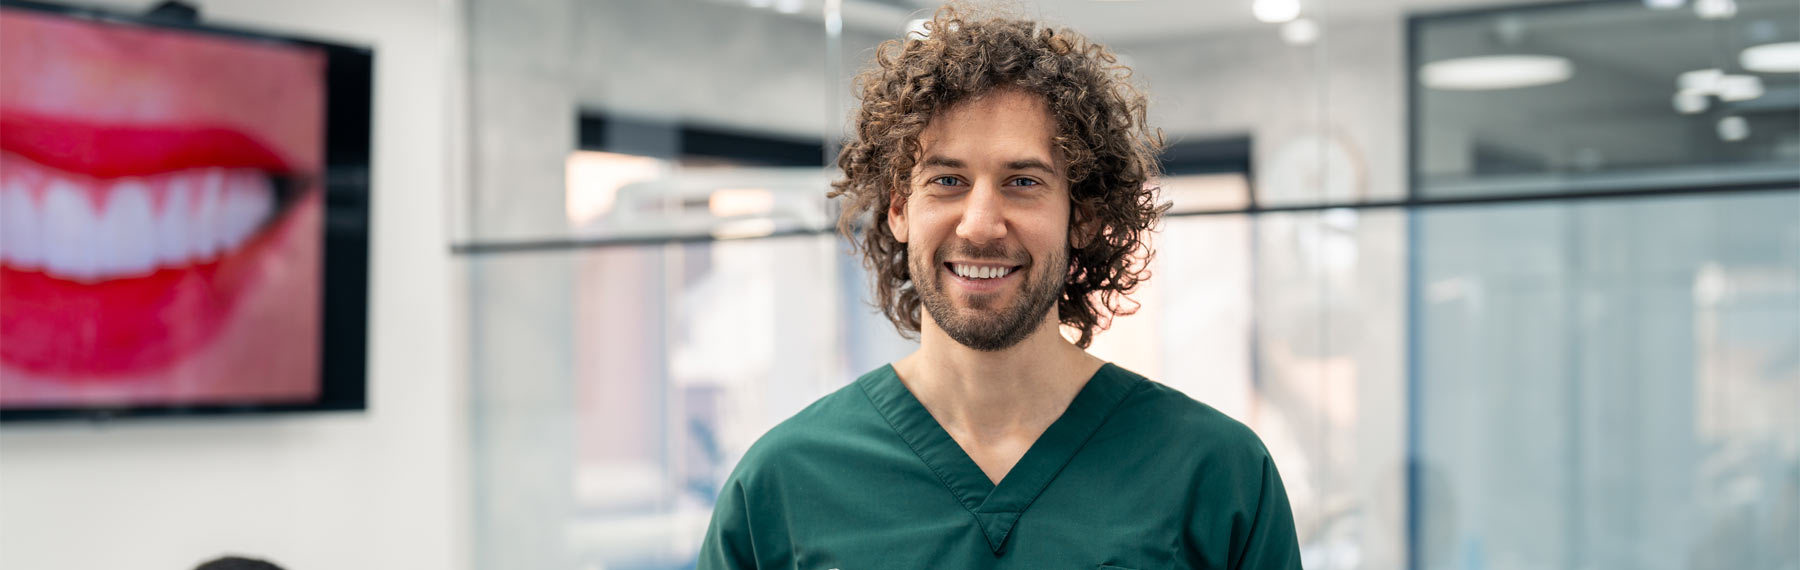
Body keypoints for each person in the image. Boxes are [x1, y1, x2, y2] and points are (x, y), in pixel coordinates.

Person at [697, 5, 1303, 568]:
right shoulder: (782, 486)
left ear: (1083, 214)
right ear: (899, 209)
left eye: (1022, 182)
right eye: (947, 180)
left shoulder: (1215, 475)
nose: (981, 224)